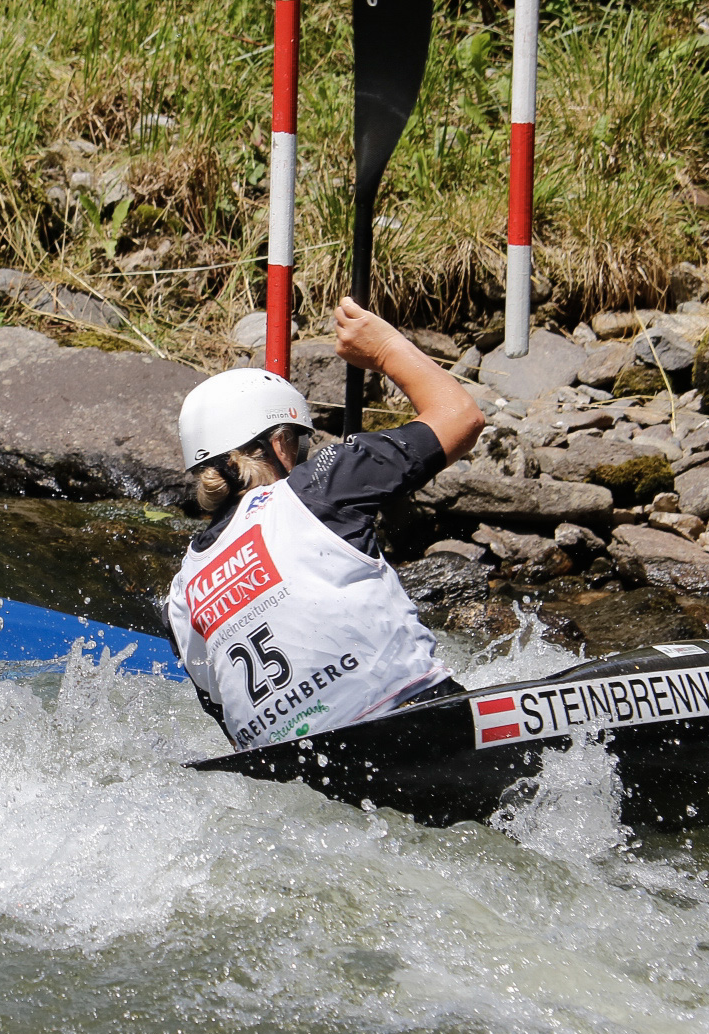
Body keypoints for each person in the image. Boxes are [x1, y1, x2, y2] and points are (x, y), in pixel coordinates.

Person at [166, 297, 486, 752]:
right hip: (419, 725)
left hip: (299, 771)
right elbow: (461, 416)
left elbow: (227, 717)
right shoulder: (317, 487)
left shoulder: (179, 599)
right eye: (297, 443)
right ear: (279, 444)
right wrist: (384, 348)